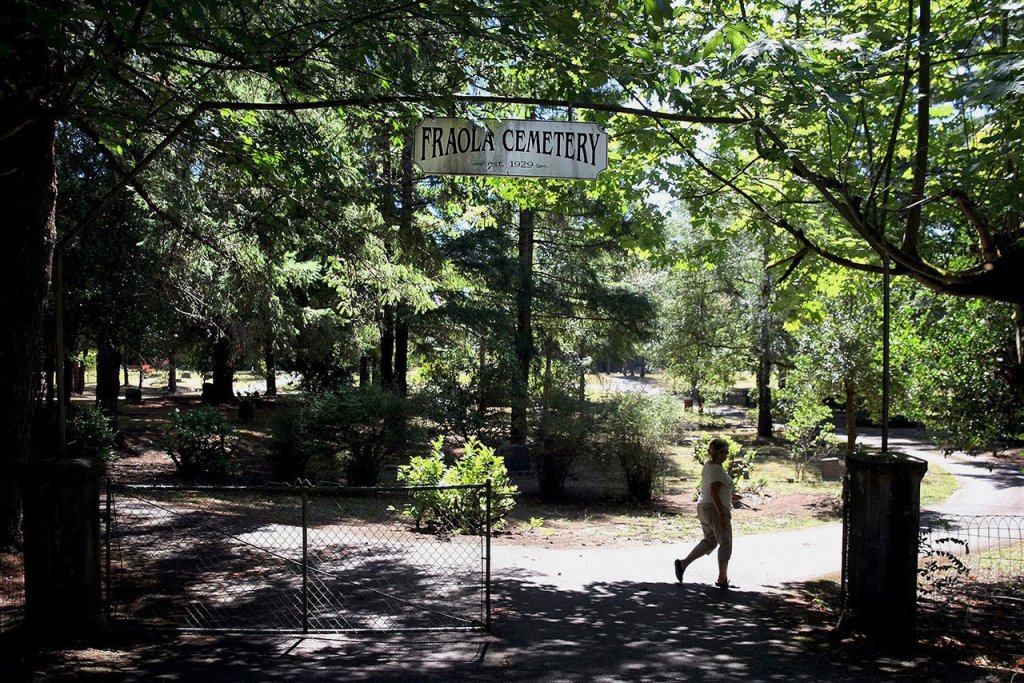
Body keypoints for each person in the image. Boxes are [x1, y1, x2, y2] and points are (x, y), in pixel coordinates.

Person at [674, 437, 735, 589]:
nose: (727, 455)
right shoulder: (716, 469)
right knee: (725, 542)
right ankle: (722, 579)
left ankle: (683, 564)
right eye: (725, 452)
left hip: (704, 507)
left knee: (710, 541)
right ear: (719, 453)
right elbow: (714, 493)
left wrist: (730, 496)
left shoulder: (708, 465)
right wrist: (721, 514)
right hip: (714, 509)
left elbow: (712, 490)